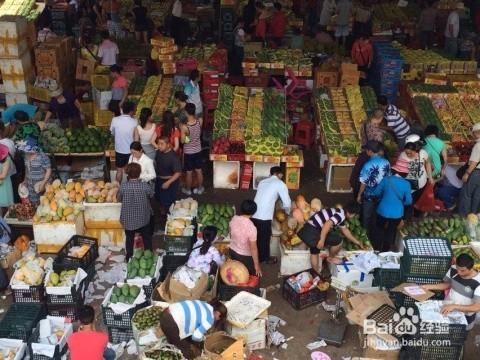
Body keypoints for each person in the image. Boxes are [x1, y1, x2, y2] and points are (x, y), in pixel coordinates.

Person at [422, 254, 480, 330]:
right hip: (447, 311)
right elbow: (448, 284)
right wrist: (429, 287)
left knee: (457, 337)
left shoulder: (478, 282)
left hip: (465, 318)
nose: (459, 272)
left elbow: (476, 307)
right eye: (457, 268)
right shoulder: (453, 269)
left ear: (471, 268)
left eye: (462, 270)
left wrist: (454, 306)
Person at [300, 203, 362, 272]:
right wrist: (322, 240)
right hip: (315, 230)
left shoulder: (339, 211)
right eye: (354, 215)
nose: (354, 217)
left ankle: (316, 274)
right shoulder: (340, 215)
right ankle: (330, 258)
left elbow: (345, 231)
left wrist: (358, 242)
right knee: (339, 241)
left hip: (310, 228)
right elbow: (327, 225)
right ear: (351, 213)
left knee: (314, 251)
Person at [160, 300, 227, 360]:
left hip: (165, 313)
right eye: (219, 318)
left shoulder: (204, 304)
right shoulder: (210, 319)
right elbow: (195, 337)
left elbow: (193, 320)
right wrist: (203, 339)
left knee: (174, 339)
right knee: (186, 350)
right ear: (218, 313)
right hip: (170, 322)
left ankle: (172, 345)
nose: (218, 319)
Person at [252, 166, 291, 264]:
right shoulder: (280, 183)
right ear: (280, 174)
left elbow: (265, 195)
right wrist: (287, 213)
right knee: (264, 238)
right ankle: (264, 259)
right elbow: (287, 202)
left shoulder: (262, 182)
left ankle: (253, 256)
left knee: (255, 237)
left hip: (253, 213)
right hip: (264, 216)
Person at [118, 163, 153, 261]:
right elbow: (151, 195)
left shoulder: (123, 186)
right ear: (139, 173)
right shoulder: (145, 186)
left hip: (128, 219)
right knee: (147, 237)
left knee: (129, 238)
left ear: (127, 174)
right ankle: (148, 253)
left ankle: (129, 256)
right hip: (143, 217)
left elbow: (119, 199)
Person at [372, 167, 412, 252]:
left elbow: (376, 192)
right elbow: (409, 201)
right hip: (397, 213)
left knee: (379, 229)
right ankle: (385, 251)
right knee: (391, 231)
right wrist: (400, 204)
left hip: (382, 210)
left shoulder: (386, 180)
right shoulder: (406, 184)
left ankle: (376, 248)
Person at [357, 140, 390, 237]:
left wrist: (359, 195)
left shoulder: (367, 165)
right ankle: (375, 234)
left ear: (370, 151)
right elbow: (388, 177)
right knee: (377, 214)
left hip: (369, 195)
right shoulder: (386, 162)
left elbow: (363, 182)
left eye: (366, 150)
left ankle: (365, 234)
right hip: (382, 194)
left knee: (366, 215)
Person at [396, 134, 434, 200]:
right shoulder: (403, 155)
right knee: (409, 204)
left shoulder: (423, 152)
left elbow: (428, 163)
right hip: (409, 186)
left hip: (422, 183)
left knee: (418, 203)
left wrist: (430, 177)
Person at [229, 200, 261, 276]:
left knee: (236, 271)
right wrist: (256, 266)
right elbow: (253, 248)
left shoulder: (234, 218)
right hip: (244, 256)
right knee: (247, 275)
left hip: (232, 251)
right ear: (253, 212)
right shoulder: (251, 228)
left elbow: (230, 233)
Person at [18, 139, 52, 205]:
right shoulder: (26, 156)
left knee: (42, 203)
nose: (26, 151)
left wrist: (43, 183)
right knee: (32, 204)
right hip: (30, 184)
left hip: (40, 185)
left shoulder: (42, 156)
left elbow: (48, 170)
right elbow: (27, 169)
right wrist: (25, 180)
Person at [110, 101, 137, 183]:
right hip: (131, 151)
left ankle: (117, 190)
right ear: (131, 111)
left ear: (122, 109)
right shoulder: (135, 121)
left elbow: (112, 133)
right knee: (131, 172)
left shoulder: (115, 120)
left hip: (119, 150)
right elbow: (136, 136)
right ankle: (129, 190)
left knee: (119, 170)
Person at [154, 135, 182, 212]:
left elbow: (178, 173)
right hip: (159, 180)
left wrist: (168, 182)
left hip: (170, 182)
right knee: (159, 198)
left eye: (162, 144)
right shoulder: (158, 152)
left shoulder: (173, 157)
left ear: (168, 144)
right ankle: (162, 210)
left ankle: (168, 216)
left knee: (168, 202)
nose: (159, 146)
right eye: (158, 143)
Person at [181, 103, 204, 196]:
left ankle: (188, 190)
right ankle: (200, 188)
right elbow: (198, 133)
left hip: (188, 152)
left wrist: (186, 135)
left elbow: (183, 141)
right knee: (199, 170)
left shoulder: (185, 127)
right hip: (198, 149)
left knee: (189, 172)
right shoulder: (200, 121)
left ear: (186, 112)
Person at [459, 123, 480, 215]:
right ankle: (473, 215)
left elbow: (474, 162)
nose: (473, 135)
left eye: (474, 133)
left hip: (476, 173)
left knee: (467, 194)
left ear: (477, 133)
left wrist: (467, 173)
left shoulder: (478, 145)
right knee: (477, 195)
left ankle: (464, 216)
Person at [0, 144, 14, 211]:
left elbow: (3, 175)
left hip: (4, 184)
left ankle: (9, 219)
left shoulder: (7, 159)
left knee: (8, 205)